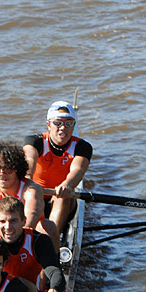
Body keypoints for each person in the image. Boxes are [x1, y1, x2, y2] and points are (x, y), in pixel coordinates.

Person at [0, 141, 59, 250]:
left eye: (7, 169)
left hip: (30, 233)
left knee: (47, 227)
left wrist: (15, 238)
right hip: (6, 231)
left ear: (17, 170)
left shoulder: (31, 188)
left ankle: (55, 261)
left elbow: (31, 218)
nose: (1, 174)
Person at [23, 101, 93, 238]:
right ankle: (28, 235)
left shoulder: (82, 147)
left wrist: (67, 184)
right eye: (58, 123)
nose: (63, 128)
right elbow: (29, 161)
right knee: (29, 196)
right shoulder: (34, 141)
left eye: (68, 123)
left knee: (62, 197)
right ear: (48, 125)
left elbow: (77, 170)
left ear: (73, 127)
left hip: (63, 197)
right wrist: (27, 180)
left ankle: (49, 241)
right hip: (36, 196)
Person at [0, 196, 65, 292]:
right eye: (2, 221)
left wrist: (54, 290)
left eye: (13, 221)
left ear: (24, 221)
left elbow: (54, 270)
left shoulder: (39, 241)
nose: (7, 227)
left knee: (20, 284)